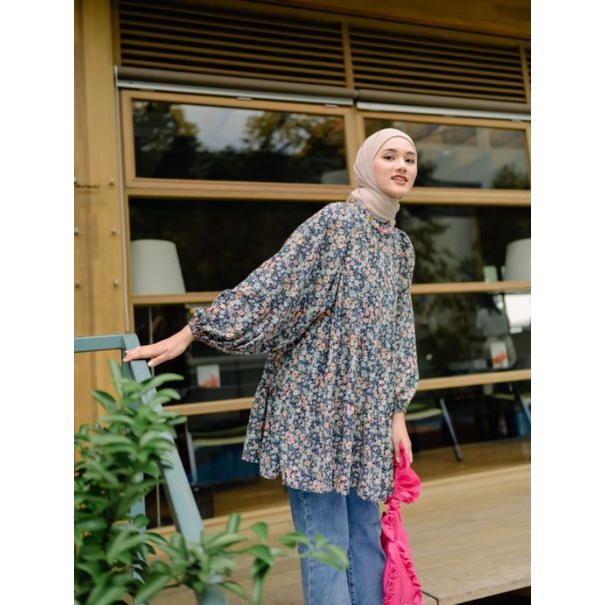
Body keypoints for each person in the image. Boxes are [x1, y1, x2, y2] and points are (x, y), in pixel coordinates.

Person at [123, 128, 420, 605]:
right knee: (327, 541)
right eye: (390, 156)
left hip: (367, 413)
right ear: (368, 164)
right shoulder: (335, 223)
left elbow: (399, 335)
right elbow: (272, 285)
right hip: (313, 407)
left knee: (365, 533)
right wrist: (192, 331)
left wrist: (396, 413)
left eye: (409, 158)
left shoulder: (400, 247)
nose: (402, 165)